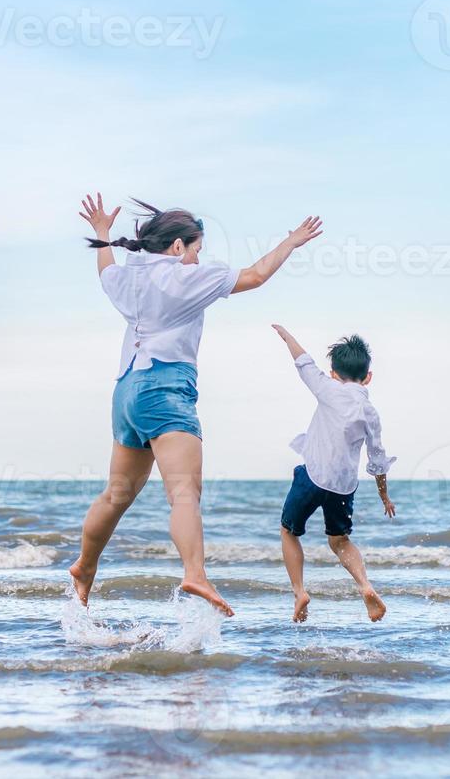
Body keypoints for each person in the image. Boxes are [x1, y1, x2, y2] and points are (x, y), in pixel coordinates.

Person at [68, 194, 323, 617]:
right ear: (177, 247)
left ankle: (85, 565)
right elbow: (256, 276)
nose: (197, 259)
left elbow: (105, 269)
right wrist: (291, 242)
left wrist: (102, 234)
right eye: (196, 250)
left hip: (126, 390)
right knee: (184, 492)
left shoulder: (127, 280)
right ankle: (195, 573)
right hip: (165, 387)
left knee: (118, 492)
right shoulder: (185, 278)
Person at [269, 325, 395, 624]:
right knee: (339, 540)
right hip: (343, 486)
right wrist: (384, 496)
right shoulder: (370, 411)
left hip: (312, 475)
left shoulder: (328, 389)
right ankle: (365, 586)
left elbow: (304, 363)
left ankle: (300, 592)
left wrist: (287, 336)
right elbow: (377, 458)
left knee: (288, 531)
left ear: (335, 373)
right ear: (368, 377)